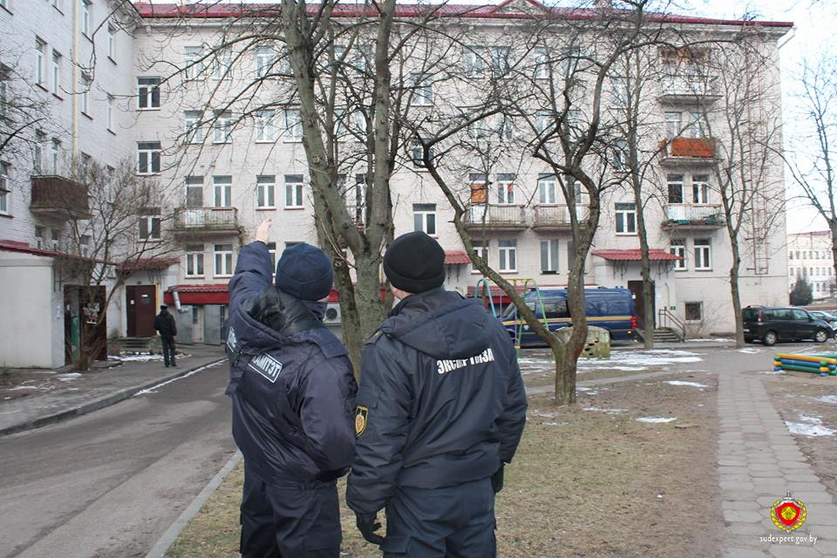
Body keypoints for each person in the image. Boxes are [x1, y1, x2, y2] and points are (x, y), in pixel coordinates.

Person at [346, 231, 528, 557]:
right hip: (473, 488)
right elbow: (512, 409)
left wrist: (365, 502)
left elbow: (379, 437)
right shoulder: (491, 328)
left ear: (393, 284)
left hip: (421, 499)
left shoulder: (389, 348)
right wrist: (492, 465)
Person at [225, 218, 357, 558]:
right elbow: (334, 444)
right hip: (302, 490)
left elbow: (246, 277)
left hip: (259, 467)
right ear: (325, 293)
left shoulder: (245, 310)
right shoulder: (322, 360)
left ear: (277, 280)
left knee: (260, 548)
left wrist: (258, 243)